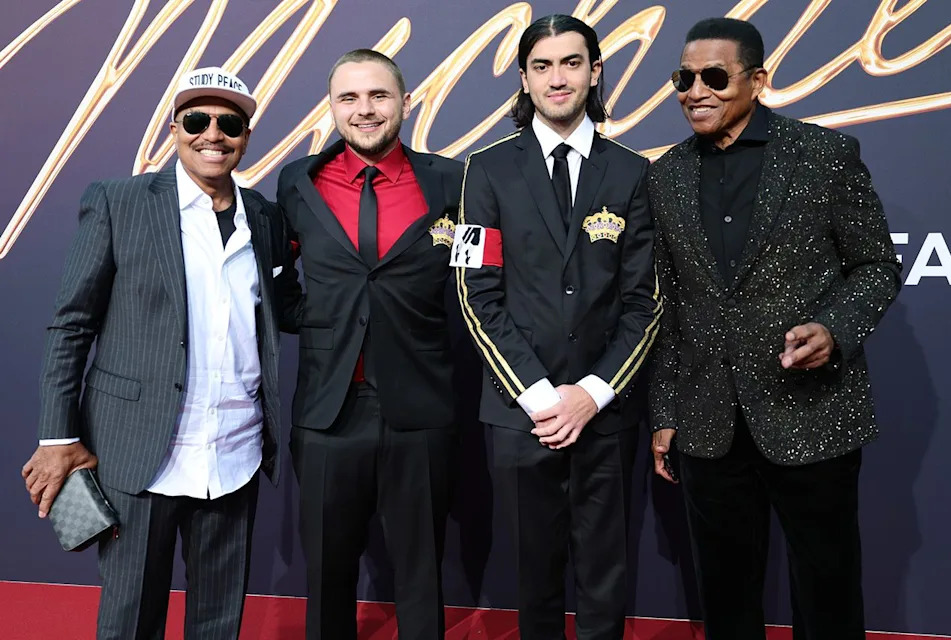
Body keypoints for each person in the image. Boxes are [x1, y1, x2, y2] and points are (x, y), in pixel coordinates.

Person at [21, 67, 299, 639]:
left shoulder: (267, 219)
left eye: (230, 123)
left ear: (247, 135)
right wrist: (57, 437)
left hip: (235, 452)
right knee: (129, 621)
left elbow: (284, 309)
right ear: (174, 128)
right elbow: (72, 324)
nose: (212, 135)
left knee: (219, 622)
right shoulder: (118, 201)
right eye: (197, 121)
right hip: (136, 452)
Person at [648, 17, 902, 640]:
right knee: (725, 590)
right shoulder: (665, 175)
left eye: (714, 77)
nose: (695, 91)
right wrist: (665, 409)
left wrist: (833, 328)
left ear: (757, 80)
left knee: (827, 584)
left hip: (811, 409)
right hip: (709, 418)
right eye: (684, 77)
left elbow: (876, 266)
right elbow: (670, 306)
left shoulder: (822, 155)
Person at [455, 14, 660, 638]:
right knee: (532, 572)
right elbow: (474, 293)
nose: (557, 78)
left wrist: (591, 395)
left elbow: (644, 301)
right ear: (523, 78)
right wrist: (544, 399)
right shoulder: (483, 171)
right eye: (541, 66)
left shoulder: (633, 172)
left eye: (572, 62)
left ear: (595, 71)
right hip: (523, 414)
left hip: (606, 411)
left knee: (604, 571)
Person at [275, 49, 463, 639]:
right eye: (349, 98)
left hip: (422, 406)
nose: (365, 110)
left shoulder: (452, 180)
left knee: (421, 573)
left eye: (378, 96)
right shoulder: (297, 182)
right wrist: (325, 323)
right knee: (328, 575)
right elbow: (278, 284)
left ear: (406, 102)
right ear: (332, 107)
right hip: (329, 410)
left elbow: (480, 283)